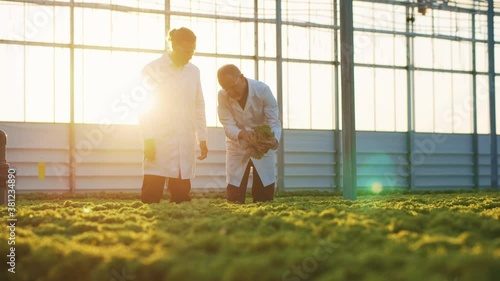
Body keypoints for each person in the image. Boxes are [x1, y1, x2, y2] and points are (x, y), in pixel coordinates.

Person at [139, 27, 208, 204]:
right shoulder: (153, 69)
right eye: (186, 50)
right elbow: (145, 105)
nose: (190, 55)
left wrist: (202, 138)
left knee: (182, 197)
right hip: (159, 139)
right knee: (151, 196)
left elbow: (198, 105)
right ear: (174, 45)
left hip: (184, 139)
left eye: (193, 50)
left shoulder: (194, 71)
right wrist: (148, 138)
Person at [216, 64, 281, 204]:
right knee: (234, 194)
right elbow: (227, 124)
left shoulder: (262, 90)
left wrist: (274, 140)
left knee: (264, 196)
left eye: (233, 86)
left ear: (241, 77)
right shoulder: (222, 96)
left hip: (262, 146)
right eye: (227, 89)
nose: (231, 92)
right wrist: (241, 133)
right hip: (237, 146)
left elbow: (273, 121)